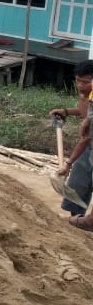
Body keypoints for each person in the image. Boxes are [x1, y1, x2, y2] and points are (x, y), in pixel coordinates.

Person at [52, 61, 93, 219]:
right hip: (88, 146)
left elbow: (85, 138)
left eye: (85, 82)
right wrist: (66, 111)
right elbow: (84, 111)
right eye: (78, 81)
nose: (80, 85)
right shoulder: (86, 95)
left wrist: (68, 164)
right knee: (77, 183)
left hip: (88, 142)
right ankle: (76, 220)